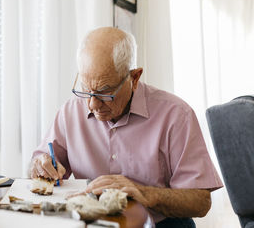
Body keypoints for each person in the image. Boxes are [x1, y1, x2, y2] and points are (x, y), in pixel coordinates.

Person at [29, 27, 223, 227]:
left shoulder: (176, 115)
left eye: (105, 93)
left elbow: (201, 202)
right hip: (90, 222)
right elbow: (40, 164)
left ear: (135, 78)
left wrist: (144, 193)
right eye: (86, 90)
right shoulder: (70, 111)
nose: (92, 105)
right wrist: (40, 166)